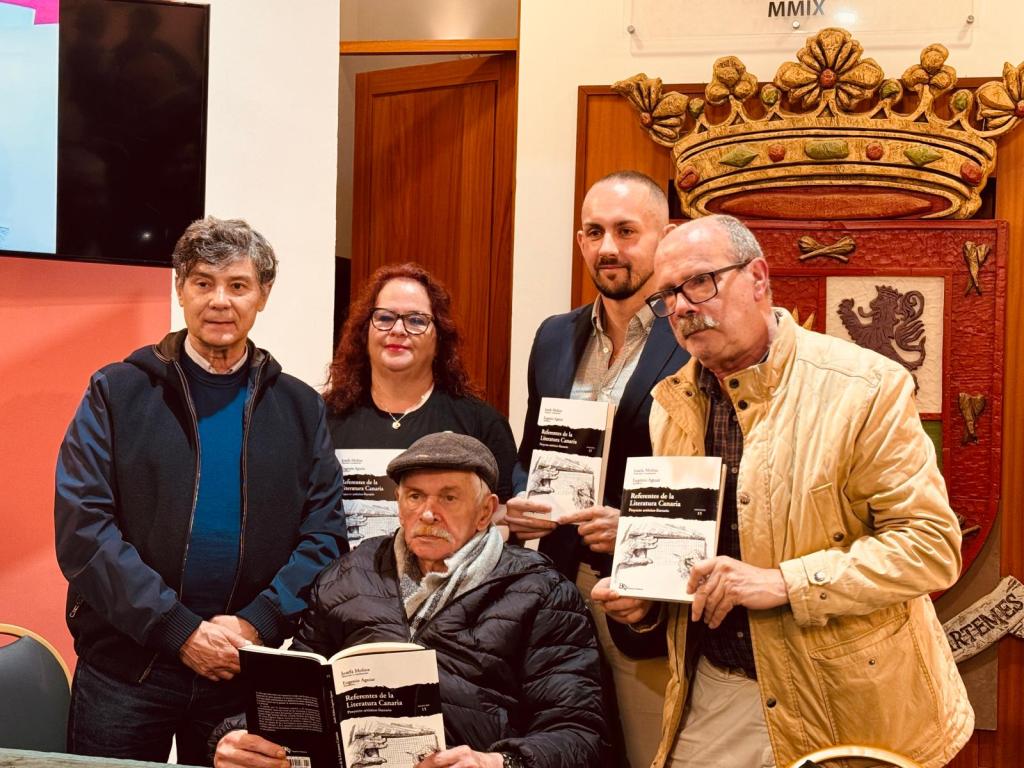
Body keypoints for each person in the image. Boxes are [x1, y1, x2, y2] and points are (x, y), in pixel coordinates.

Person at [593, 214, 973, 768]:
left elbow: (930, 548)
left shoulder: (865, 387)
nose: (681, 306)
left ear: (758, 278)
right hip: (717, 690)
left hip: (847, 700)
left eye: (699, 282)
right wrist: (645, 602)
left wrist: (784, 582)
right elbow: (690, 562)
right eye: (667, 295)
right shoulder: (668, 405)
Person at [54, 216, 347, 765]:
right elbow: (84, 531)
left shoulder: (301, 408)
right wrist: (179, 630)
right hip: (127, 668)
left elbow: (325, 536)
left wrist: (257, 623)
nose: (220, 301)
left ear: (263, 295)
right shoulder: (116, 391)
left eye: (238, 285)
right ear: (180, 289)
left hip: (242, 668)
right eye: (203, 282)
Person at [213, 432, 607, 768]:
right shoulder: (349, 574)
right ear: (399, 504)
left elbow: (578, 732)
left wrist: (500, 762)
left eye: (448, 498)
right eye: (415, 496)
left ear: (485, 512)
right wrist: (234, 737)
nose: (428, 514)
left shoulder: (540, 591)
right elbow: (292, 694)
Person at [505, 170, 688, 767]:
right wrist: (520, 501)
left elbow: (712, 472)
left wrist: (633, 527)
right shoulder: (554, 336)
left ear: (665, 237)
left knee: (649, 753)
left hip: (647, 597)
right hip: (558, 584)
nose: (608, 247)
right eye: (594, 231)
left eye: (626, 231)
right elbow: (532, 451)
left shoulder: (691, 336)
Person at [324, 262, 517, 501]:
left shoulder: (481, 424)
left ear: (440, 338)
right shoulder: (325, 419)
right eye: (384, 317)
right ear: (365, 332)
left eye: (416, 320)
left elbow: (501, 514)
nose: (397, 330)